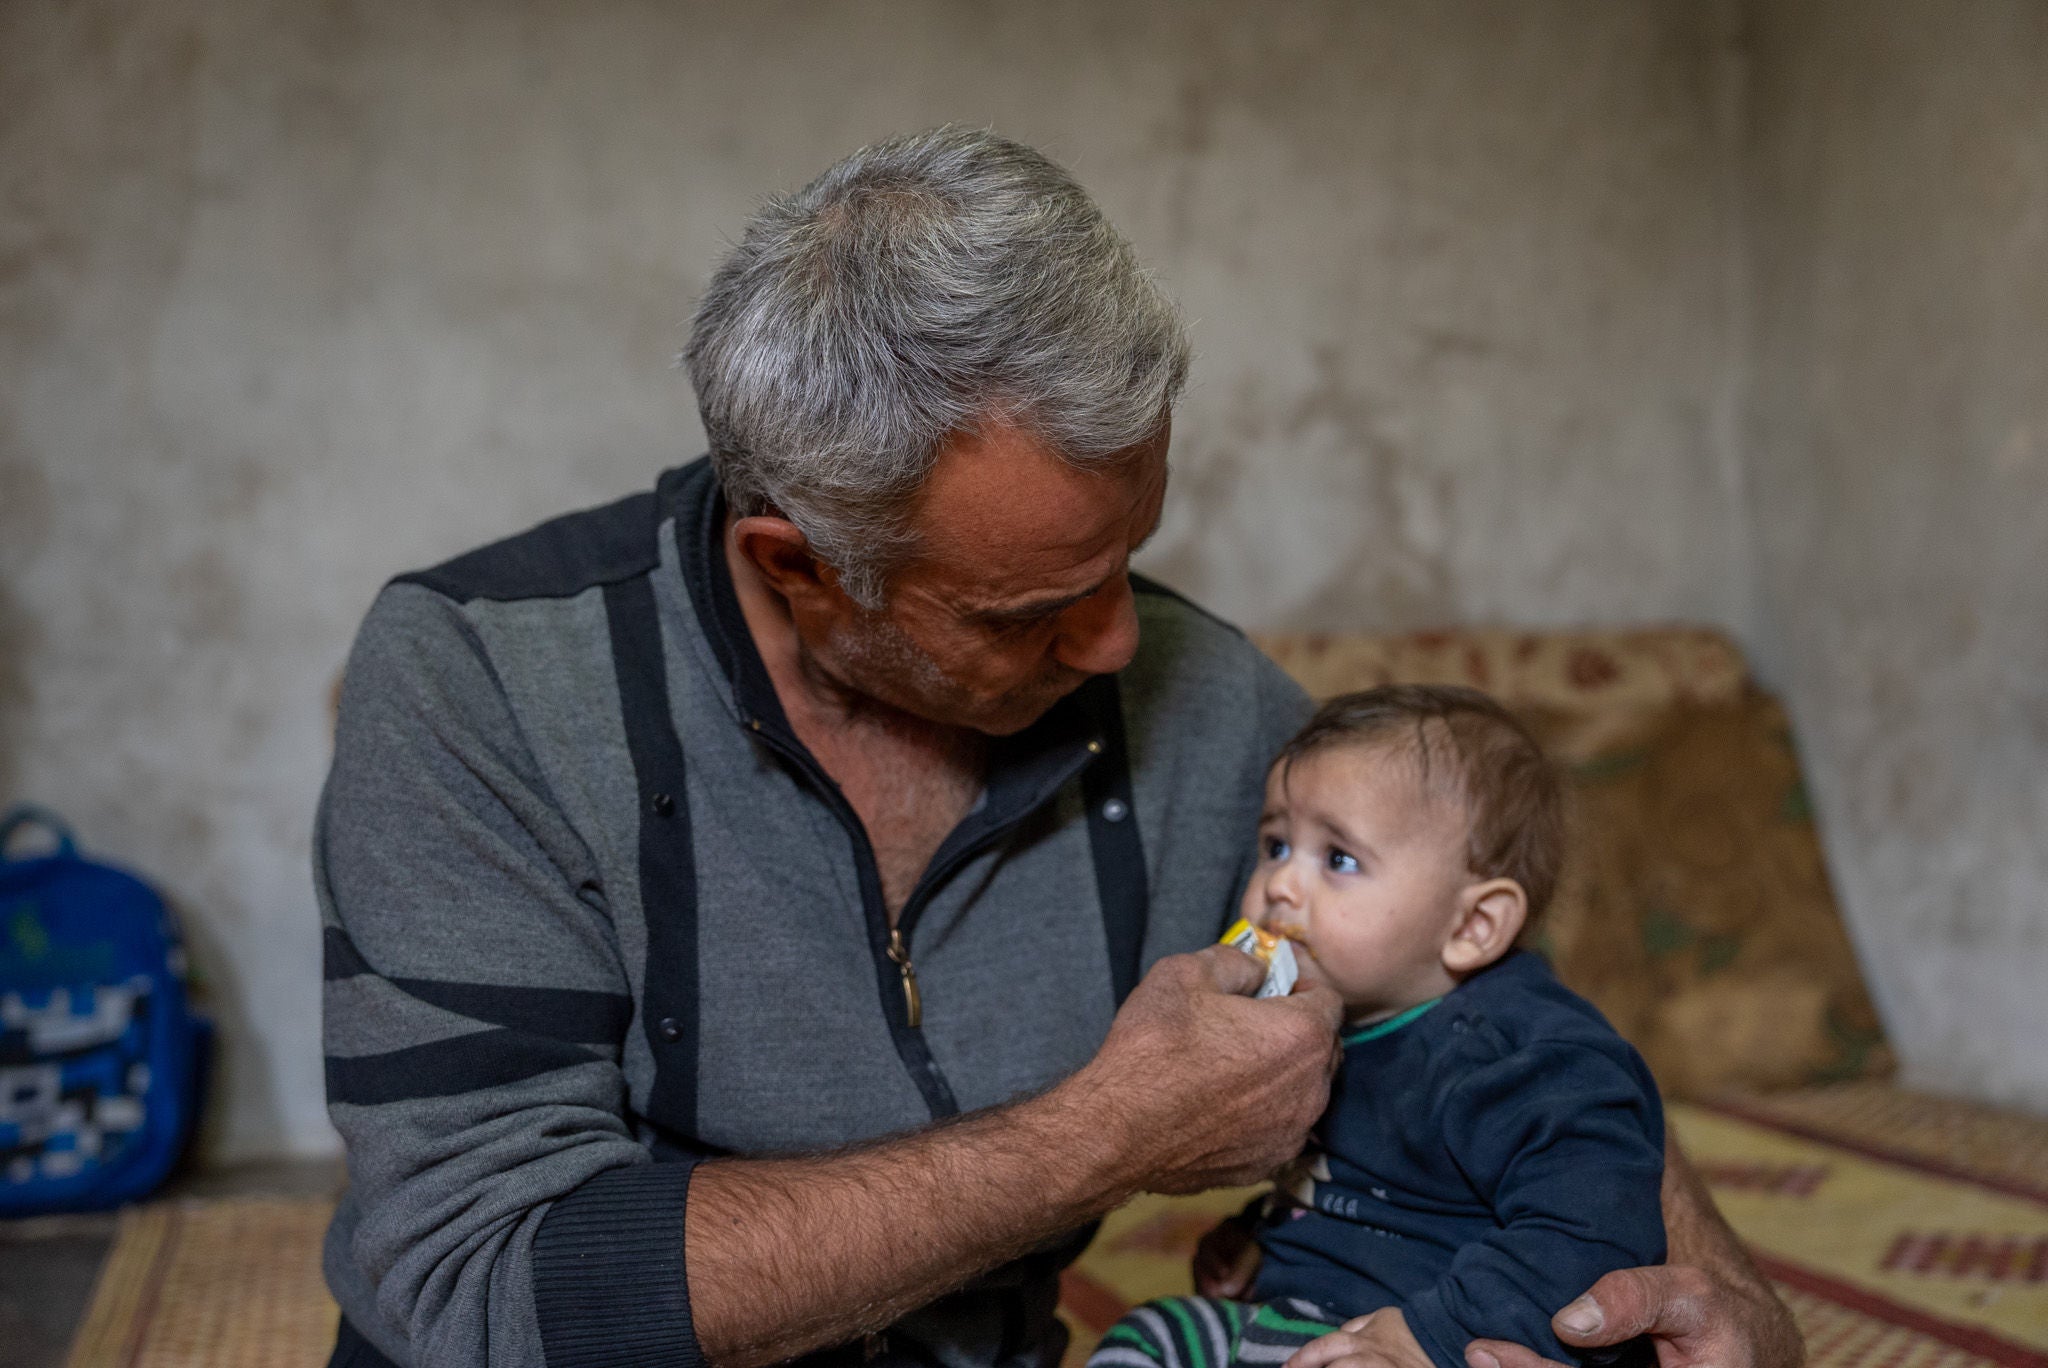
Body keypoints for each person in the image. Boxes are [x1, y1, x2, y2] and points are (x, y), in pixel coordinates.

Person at [316, 127, 1801, 1368]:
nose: (1116, 646)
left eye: (1129, 559)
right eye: (1031, 610)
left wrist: (1713, 1285)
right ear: (800, 567)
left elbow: (1477, 1005)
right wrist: (1097, 1136)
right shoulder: (481, 681)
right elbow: (479, 1279)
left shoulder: (1215, 712)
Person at [1090, 686, 1665, 1368]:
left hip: (1435, 1339)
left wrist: (1432, 1339)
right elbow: (1346, 1187)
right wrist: (1254, 1239)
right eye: (1275, 844)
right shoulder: (1326, 1021)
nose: (1280, 886)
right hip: (1303, 1321)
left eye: (1338, 859)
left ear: (1472, 925)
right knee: (1150, 1334)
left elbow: (1595, 1233)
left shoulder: (1528, 1058)